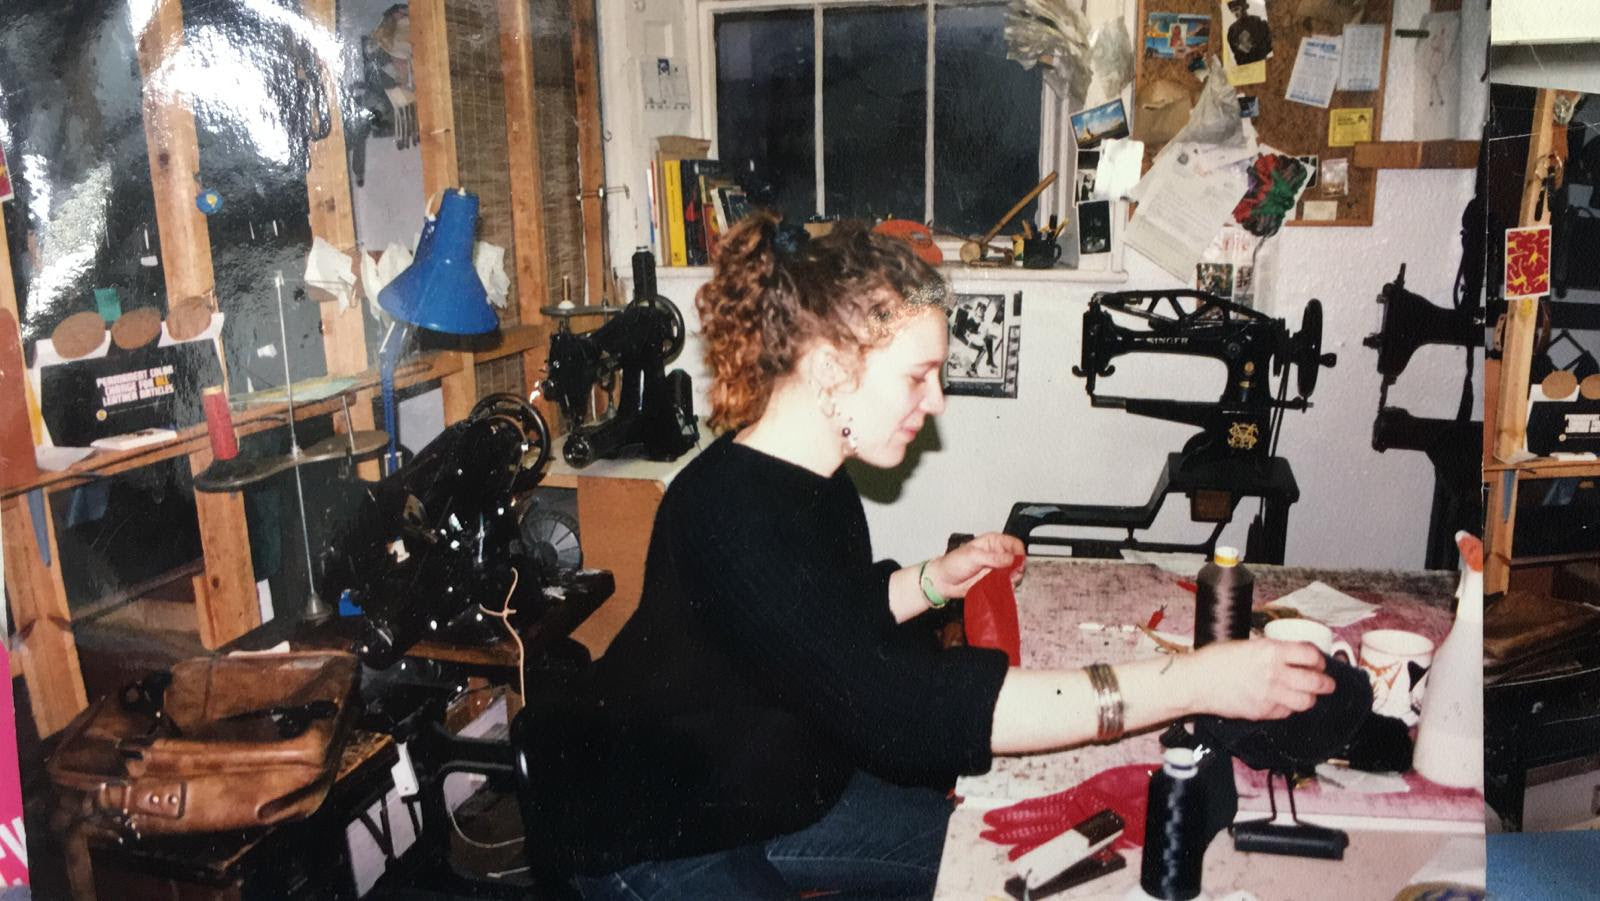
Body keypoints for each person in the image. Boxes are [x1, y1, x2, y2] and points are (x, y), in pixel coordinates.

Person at [527, 213, 1333, 901]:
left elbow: (819, 625)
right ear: (832, 369)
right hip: (645, 834)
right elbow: (903, 709)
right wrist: (1196, 679)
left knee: (1006, 859)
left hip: (773, 791)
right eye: (919, 375)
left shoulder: (818, 475)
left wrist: (929, 583)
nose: (937, 400)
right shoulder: (727, 513)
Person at [1226, 0, 1271, 66]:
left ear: (1244, 7)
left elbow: (1269, 44)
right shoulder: (1232, 31)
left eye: (1237, 9)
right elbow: (1236, 55)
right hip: (1246, 67)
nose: (1235, 13)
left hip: (1262, 63)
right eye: (1232, 11)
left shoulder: (1258, 22)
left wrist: (1253, 46)